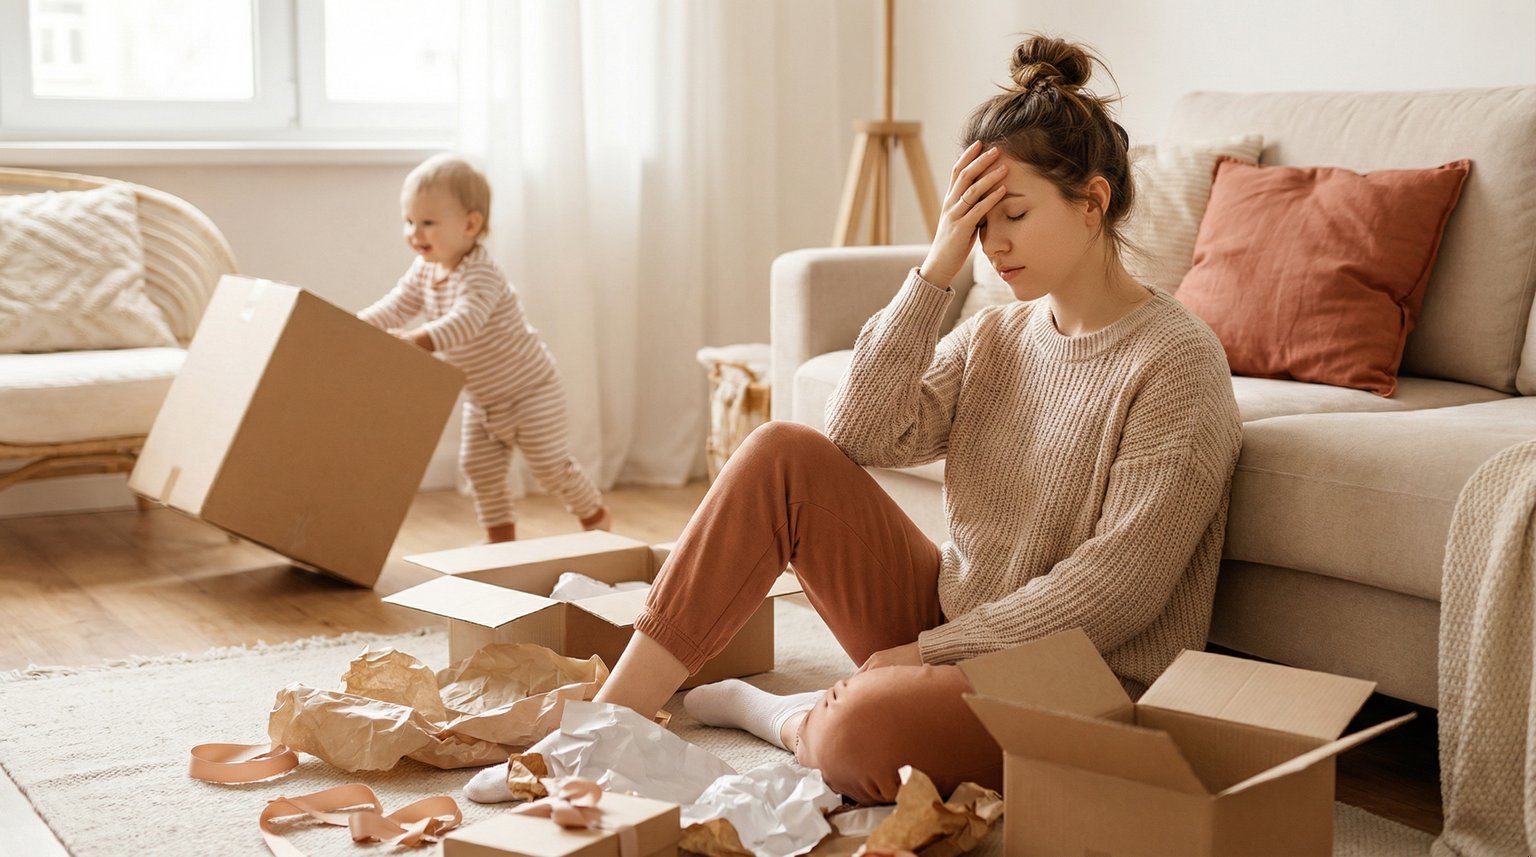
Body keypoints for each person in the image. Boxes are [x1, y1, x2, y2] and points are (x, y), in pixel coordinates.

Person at [474, 34, 1242, 807]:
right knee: (781, 451)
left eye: (1012, 212)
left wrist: (928, 653)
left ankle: (780, 715)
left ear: (1094, 202)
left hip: (1083, 680)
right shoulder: (997, 334)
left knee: (856, 738)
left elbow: (1117, 591)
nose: (993, 243)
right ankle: (605, 727)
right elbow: (858, 435)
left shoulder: (1176, 362)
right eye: (977, 220)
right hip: (957, 622)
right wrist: (937, 269)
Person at [359, 154, 610, 543]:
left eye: (427, 223)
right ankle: (501, 540)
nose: (414, 232)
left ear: (470, 224)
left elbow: (465, 321)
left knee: (548, 467)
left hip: (531, 389)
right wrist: (356, 325)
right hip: (484, 399)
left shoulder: (480, 274)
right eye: (409, 221)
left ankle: (595, 516)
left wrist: (419, 340)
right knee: (478, 467)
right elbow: (396, 305)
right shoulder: (425, 270)